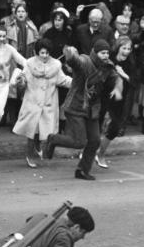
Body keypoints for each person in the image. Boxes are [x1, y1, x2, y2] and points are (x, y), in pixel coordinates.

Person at [44, 41, 122, 180]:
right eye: (102, 53)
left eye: (107, 53)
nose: (105, 56)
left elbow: (116, 78)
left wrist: (117, 87)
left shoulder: (107, 66)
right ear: (95, 52)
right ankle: (53, 139)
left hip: (92, 109)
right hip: (76, 106)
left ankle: (82, 170)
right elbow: (76, 62)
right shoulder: (86, 61)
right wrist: (70, 53)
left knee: (95, 140)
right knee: (79, 142)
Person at [12, 39, 71, 168]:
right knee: (31, 132)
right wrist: (20, 82)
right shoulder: (29, 64)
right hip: (32, 102)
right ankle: (29, 155)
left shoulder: (56, 65)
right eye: (42, 52)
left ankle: (38, 149)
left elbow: (63, 80)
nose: (44, 55)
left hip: (48, 103)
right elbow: (23, 80)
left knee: (45, 131)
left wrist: (76, 82)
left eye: (47, 53)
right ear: (36, 52)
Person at [95, 36, 137, 168]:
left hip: (119, 100)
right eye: (124, 48)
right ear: (118, 47)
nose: (126, 51)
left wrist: (124, 75)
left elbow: (134, 82)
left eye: (129, 49)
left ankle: (101, 153)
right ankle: (89, 151)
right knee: (97, 126)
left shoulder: (130, 63)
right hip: (104, 97)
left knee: (115, 128)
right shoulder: (109, 59)